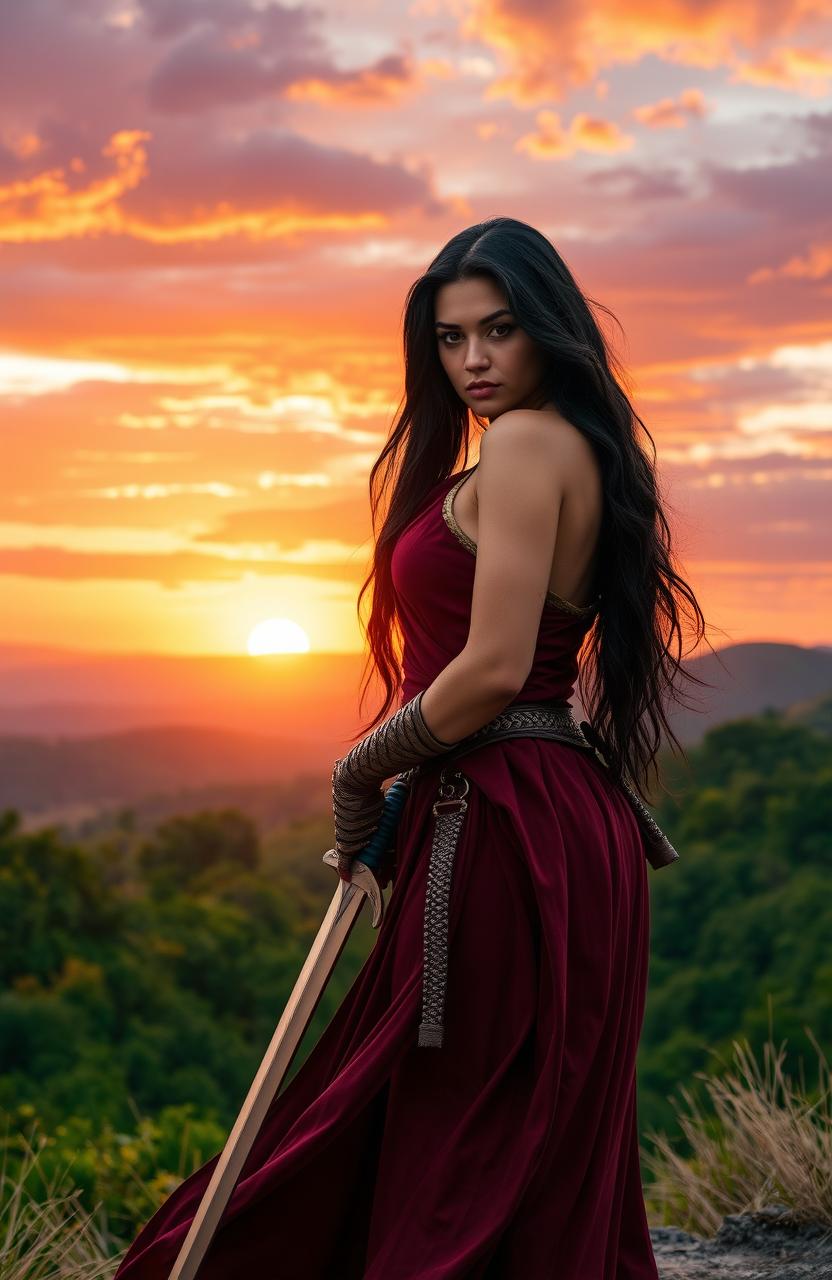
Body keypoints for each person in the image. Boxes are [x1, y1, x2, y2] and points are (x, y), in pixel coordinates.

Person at [113, 216, 712, 1278]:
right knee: (475, 1134)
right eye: (449, 338)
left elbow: (489, 668)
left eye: (499, 330)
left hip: (505, 825)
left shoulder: (529, 441)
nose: (474, 361)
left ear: (549, 331)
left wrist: (360, 766)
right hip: (535, 815)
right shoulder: (569, 447)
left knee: (458, 1138)